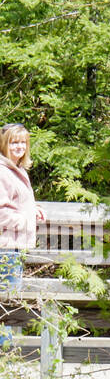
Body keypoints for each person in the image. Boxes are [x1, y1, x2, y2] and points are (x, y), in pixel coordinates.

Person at [0, 123, 43, 347]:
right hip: (4, 249)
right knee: (4, 304)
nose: (19, 146)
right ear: (4, 144)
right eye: (14, 142)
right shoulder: (2, 172)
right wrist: (27, 220)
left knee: (9, 302)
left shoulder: (17, 170)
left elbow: (14, 204)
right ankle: (4, 353)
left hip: (11, 247)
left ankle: (6, 353)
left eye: (23, 142)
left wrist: (31, 210)